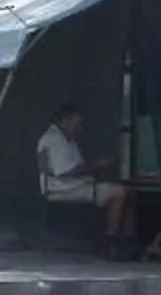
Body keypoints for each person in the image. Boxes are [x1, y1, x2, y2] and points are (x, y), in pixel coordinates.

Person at [36, 103, 132, 248]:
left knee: (124, 189)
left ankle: (125, 237)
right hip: (62, 189)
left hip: (71, 186)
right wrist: (97, 164)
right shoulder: (55, 140)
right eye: (76, 125)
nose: (79, 130)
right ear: (64, 122)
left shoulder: (67, 140)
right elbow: (68, 170)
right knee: (119, 192)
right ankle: (110, 239)